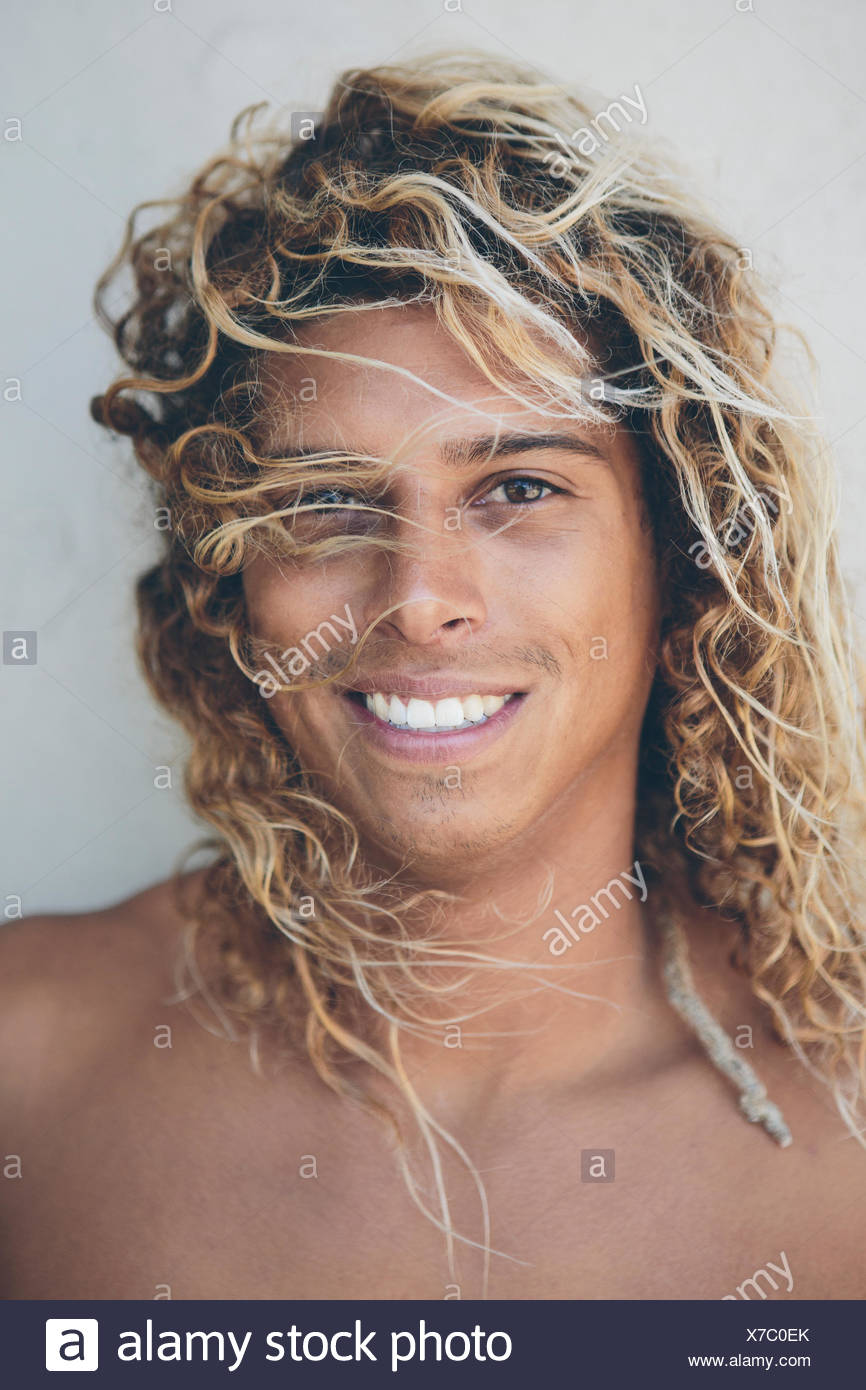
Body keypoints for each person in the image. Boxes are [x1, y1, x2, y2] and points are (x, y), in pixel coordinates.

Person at [2, 50, 865, 1302]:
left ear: (678, 557)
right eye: (324, 502)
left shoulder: (844, 1121)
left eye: (517, 487)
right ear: (229, 580)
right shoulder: (28, 1058)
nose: (415, 596)